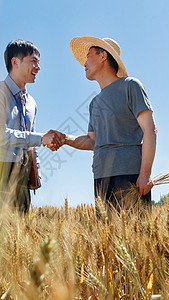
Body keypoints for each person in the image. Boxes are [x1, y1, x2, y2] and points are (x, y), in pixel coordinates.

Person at [52, 36, 157, 213]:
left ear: (103, 56)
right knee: (107, 239)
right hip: (101, 177)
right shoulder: (94, 103)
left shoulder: (131, 86)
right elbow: (93, 142)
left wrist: (145, 173)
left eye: (88, 56)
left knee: (135, 236)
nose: (84, 63)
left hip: (130, 175)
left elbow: (150, 130)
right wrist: (64, 138)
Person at [0, 39, 62, 213]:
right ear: (15, 62)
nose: (38, 67)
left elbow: (29, 140)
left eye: (39, 62)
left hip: (22, 173)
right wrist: (41, 138)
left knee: (21, 229)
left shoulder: (31, 102)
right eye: (33, 61)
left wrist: (35, 169)